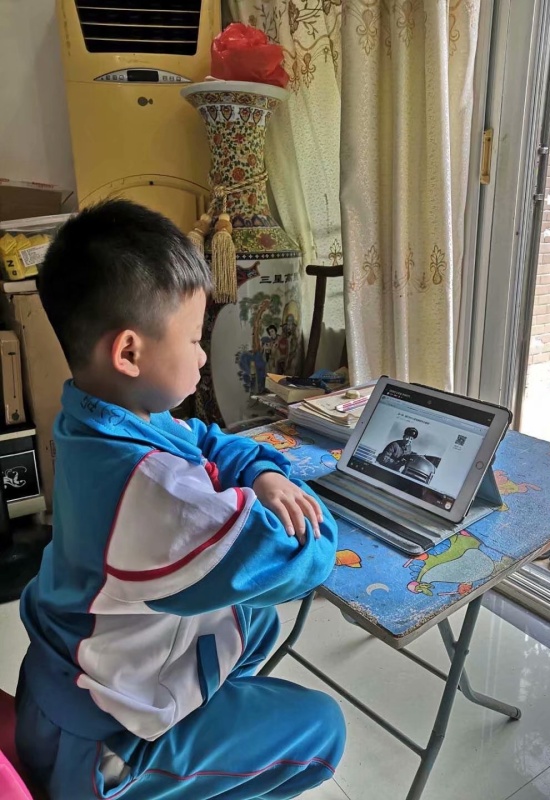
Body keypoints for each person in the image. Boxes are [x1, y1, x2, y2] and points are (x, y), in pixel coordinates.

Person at [15, 200, 345, 800]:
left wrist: (263, 475)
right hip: (102, 747)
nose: (202, 355)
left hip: (63, 679)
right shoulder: (153, 490)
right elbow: (299, 557)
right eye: (194, 338)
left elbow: (205, 438)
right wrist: (314, 513)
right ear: (129, 353)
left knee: (253, 623)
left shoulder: (99, 416)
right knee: (322, 728)